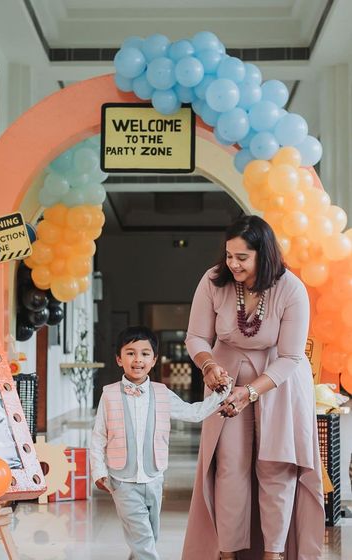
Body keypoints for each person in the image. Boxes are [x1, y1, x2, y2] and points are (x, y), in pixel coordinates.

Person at [182, 215, 325, 560]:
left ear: (264, 255)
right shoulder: (214, 281)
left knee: (276, 465)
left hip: (279, 381)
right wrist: (209, 365)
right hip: (225, 377)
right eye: (229, 255)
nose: (233, 264)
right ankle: (227, 551)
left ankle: (273, 553)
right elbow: (197, 336)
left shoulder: (291, 288)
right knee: (230, 464)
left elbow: (291, 357)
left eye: (242, 257)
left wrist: (250, 393)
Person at [90, 325, 231, 560]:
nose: (138, 359)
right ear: (119, 359)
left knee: (149, 535)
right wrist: (98, 471)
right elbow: (98, 437)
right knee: (142, 538)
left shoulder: (162, 392)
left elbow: (193, 413)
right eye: (130, 352)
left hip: (154, 478)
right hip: (122, 479)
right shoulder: (109, 394)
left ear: (154, 360)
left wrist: (221, 394)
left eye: (145, 354)